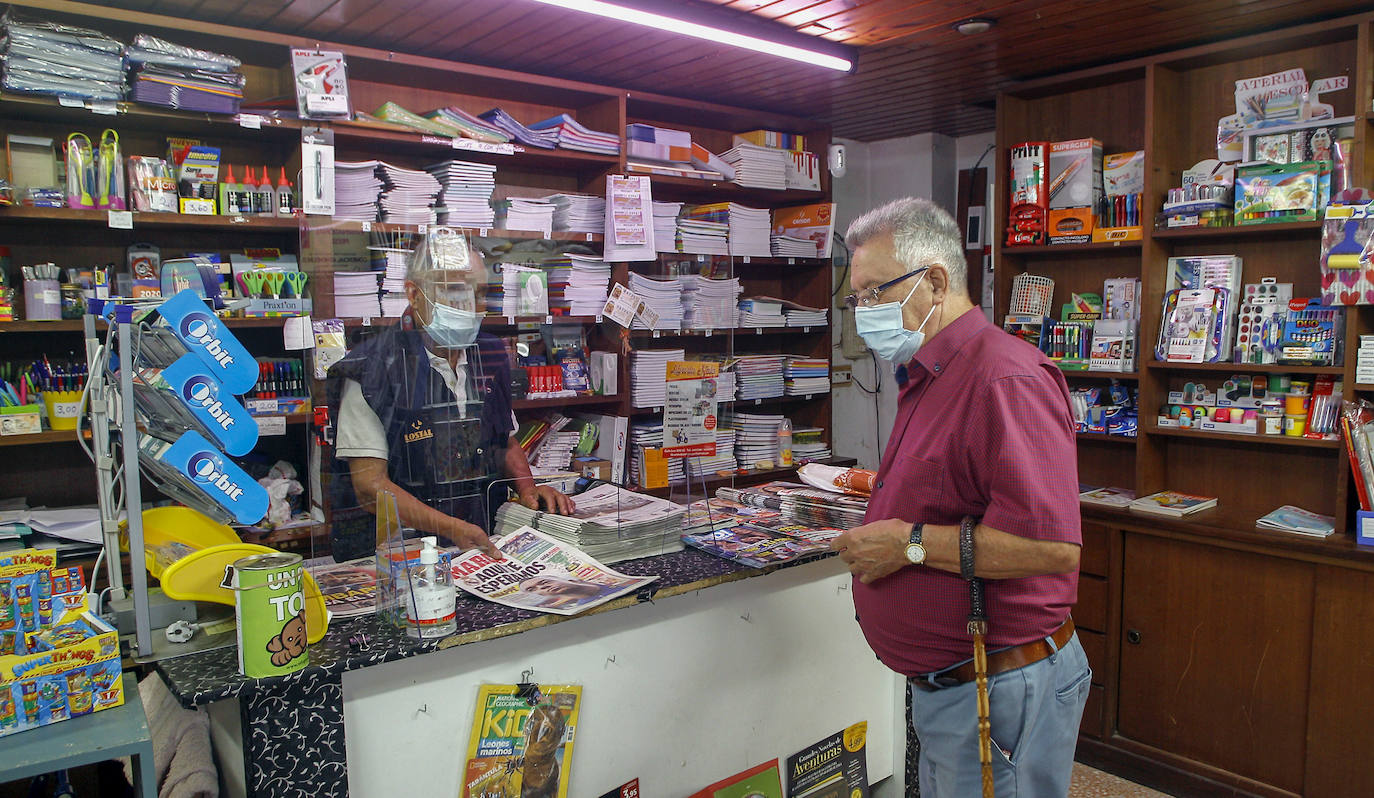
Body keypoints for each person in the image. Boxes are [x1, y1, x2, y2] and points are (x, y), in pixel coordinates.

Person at [830, 198, 1088, 797]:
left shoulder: (1004, 378)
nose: (863, 313)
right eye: (856, 299)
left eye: (873, 294)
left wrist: (908, 545)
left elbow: (1050, 548)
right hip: (954, 686)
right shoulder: (930, 372)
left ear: (935, 282)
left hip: (999, 687)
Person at [326, 227, 573, 562]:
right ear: (414, 295)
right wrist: (451, 528)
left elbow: (503, 440)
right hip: (402, 557)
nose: (469, 304)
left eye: (480, 292)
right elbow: (370, 487)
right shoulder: (370, 370)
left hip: (481, 543)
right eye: (455, 288)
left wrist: (528, 489)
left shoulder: (490, 354)